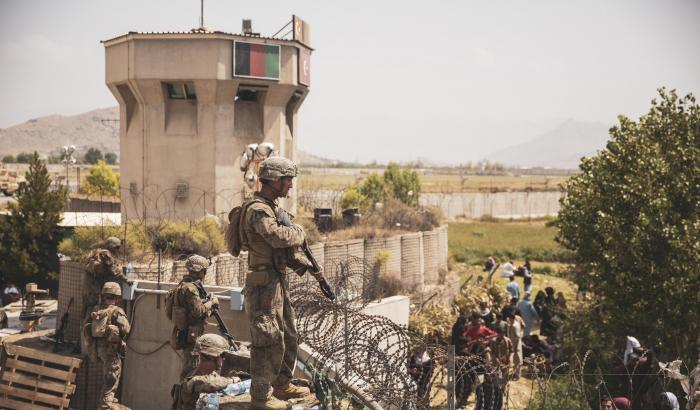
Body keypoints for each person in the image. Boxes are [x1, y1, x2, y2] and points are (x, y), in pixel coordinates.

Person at [240, 156, 319, 409]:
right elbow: (276, 237)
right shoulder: (258, 209)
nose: (290, 186)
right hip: (263, 284)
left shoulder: (273, 208)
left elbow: (282, 251)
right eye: (288, 180)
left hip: (276, 281)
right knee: (266, 337)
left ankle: (282, 385)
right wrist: (299, 232)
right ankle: (261, 396)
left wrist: (306, 267)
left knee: (289, 335)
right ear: (274, 179)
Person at [170, 254, 220, 380]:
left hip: (186, 333)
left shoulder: (182, 285)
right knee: (191, 371)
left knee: (188, 370)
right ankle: (184, 398)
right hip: (191, 336)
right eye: (204, 271)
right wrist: (212, 302)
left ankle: (183, 396)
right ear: (200, 272)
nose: (205, 274)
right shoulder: (191, 289)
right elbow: (198, 311)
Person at [83, 282, 130, 410]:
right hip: (111, 352)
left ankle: (109, 402)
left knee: (107, 377)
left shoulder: (95, 310)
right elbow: (126, 330)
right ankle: (105, 406)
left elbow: (86, 328)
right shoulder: (116, 311)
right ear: (117, 297)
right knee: (111, 381)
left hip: (97, 351)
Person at [176, 333, 240, 410]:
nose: (223, 361)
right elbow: (203, 382)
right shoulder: (194, 379)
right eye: (222, 357)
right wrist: (232, 380)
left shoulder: (214, 375)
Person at [82, 237, 128, 321]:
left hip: (88, 281)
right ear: (112, 247)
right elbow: (114, 270)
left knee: (88, 305)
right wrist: (126, 280)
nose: (118, 250)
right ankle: (91, 328)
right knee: (94, 305)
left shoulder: (98, 252)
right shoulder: (106, 254)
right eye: (117, 247)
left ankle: (85, 327)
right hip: (93, 283)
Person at [491, 323, 512, 387]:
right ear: (497, 333)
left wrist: (508, 358)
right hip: (496, 361)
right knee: (497, 375)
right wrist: (496, 359)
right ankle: (497, 387)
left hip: (505, 361)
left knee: (505, 375)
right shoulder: (494, 341)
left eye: (503, 333)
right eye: (500, 333)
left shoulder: (507, 340)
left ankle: (503, 387)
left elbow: (511, 350)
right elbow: (492, 352)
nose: (502, 335)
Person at [506, 312, 524, 380]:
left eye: (509, 319)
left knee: (517, 360)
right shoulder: (516, 323)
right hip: (516, 344)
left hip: (516, 345)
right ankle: (516, 374)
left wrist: (515, 348)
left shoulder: (514, 326)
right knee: (516, 360)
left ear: (511, 318)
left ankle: (517, 375)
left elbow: (517, 337)